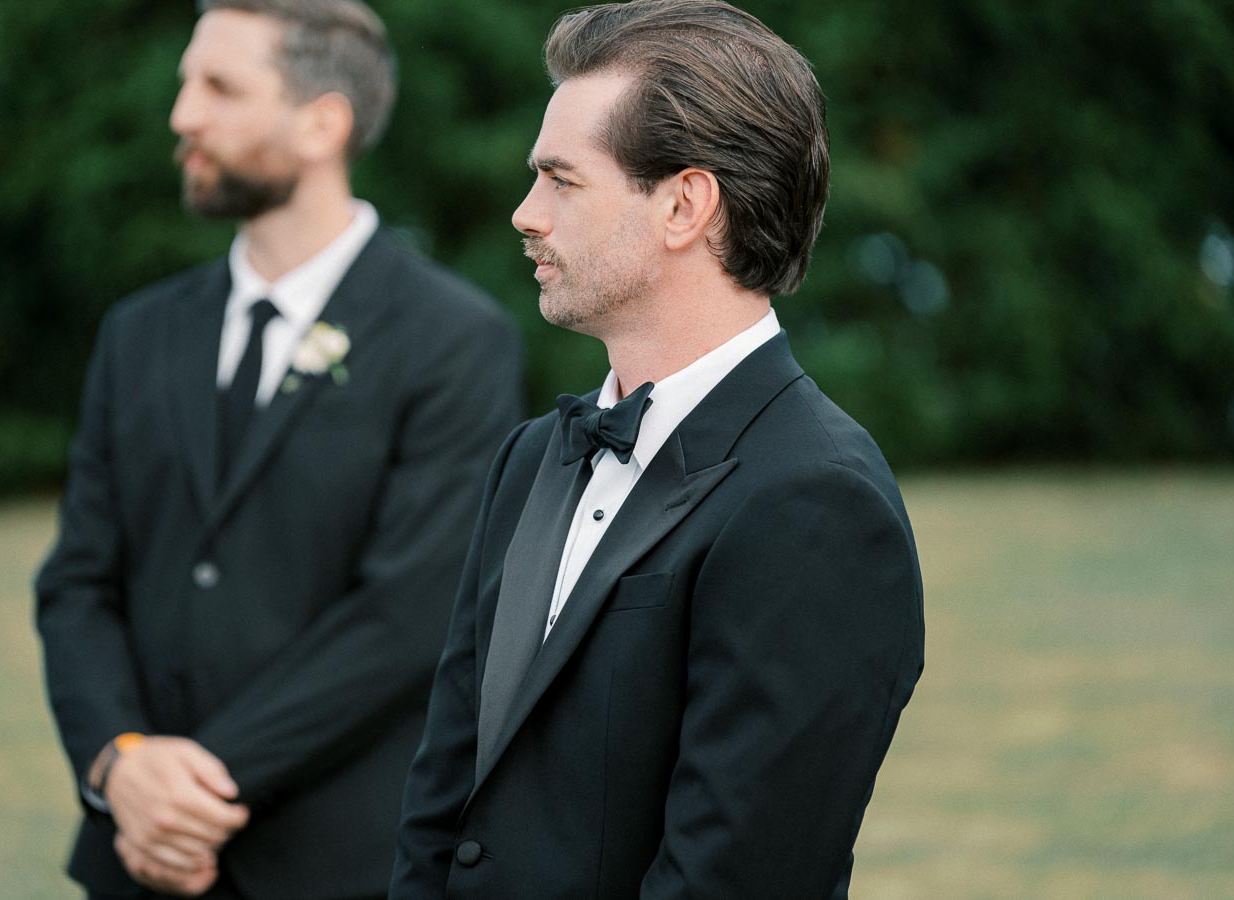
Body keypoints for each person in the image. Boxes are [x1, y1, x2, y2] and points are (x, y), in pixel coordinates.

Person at [389, 1, 925, 897]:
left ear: (684, 204)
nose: (526, 214)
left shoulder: (817, 501)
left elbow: (735, 875)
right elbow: (442, 801)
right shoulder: (530, 460)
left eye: (562, 180)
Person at [34, 1, 523, 897]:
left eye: (218, 86)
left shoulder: (453, 340)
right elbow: (76, 583)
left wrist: (186, 791)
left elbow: (407, 615)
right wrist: (118, 764)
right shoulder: (138, 334)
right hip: (132, 864)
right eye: (187, 82)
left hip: (334, 861)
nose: (182, 114)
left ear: (321, 123)